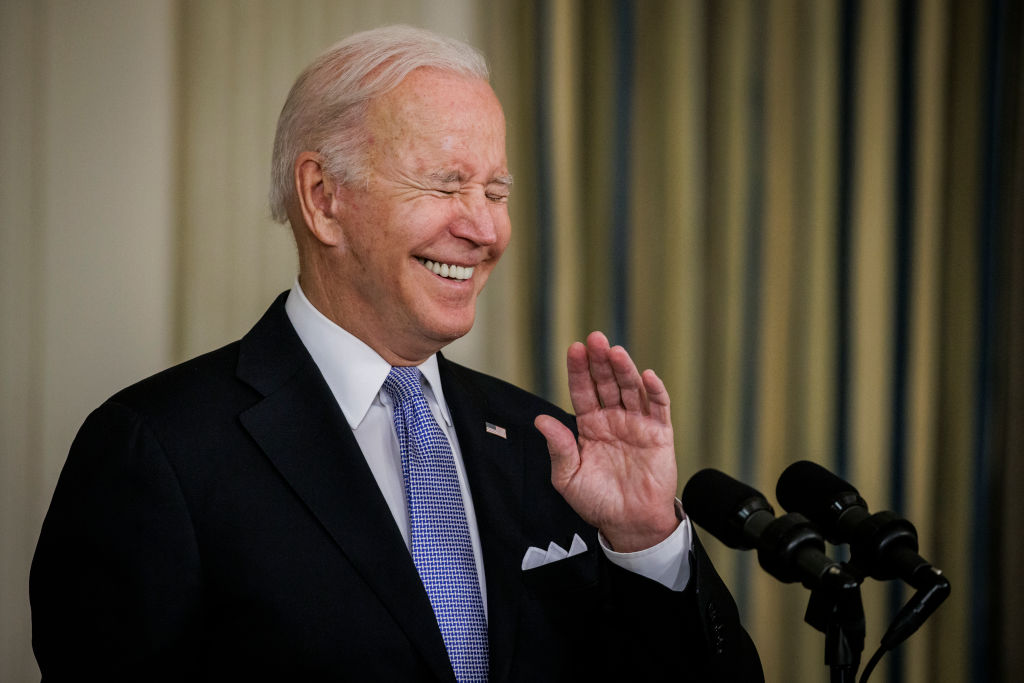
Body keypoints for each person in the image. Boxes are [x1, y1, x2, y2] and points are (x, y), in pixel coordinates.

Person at [30, 25, 762, 682]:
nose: (485, 230)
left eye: (496, 191)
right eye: (445, 185)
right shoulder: (158, 450)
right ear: (323, 197)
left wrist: (643, 542)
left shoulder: (550, 447)